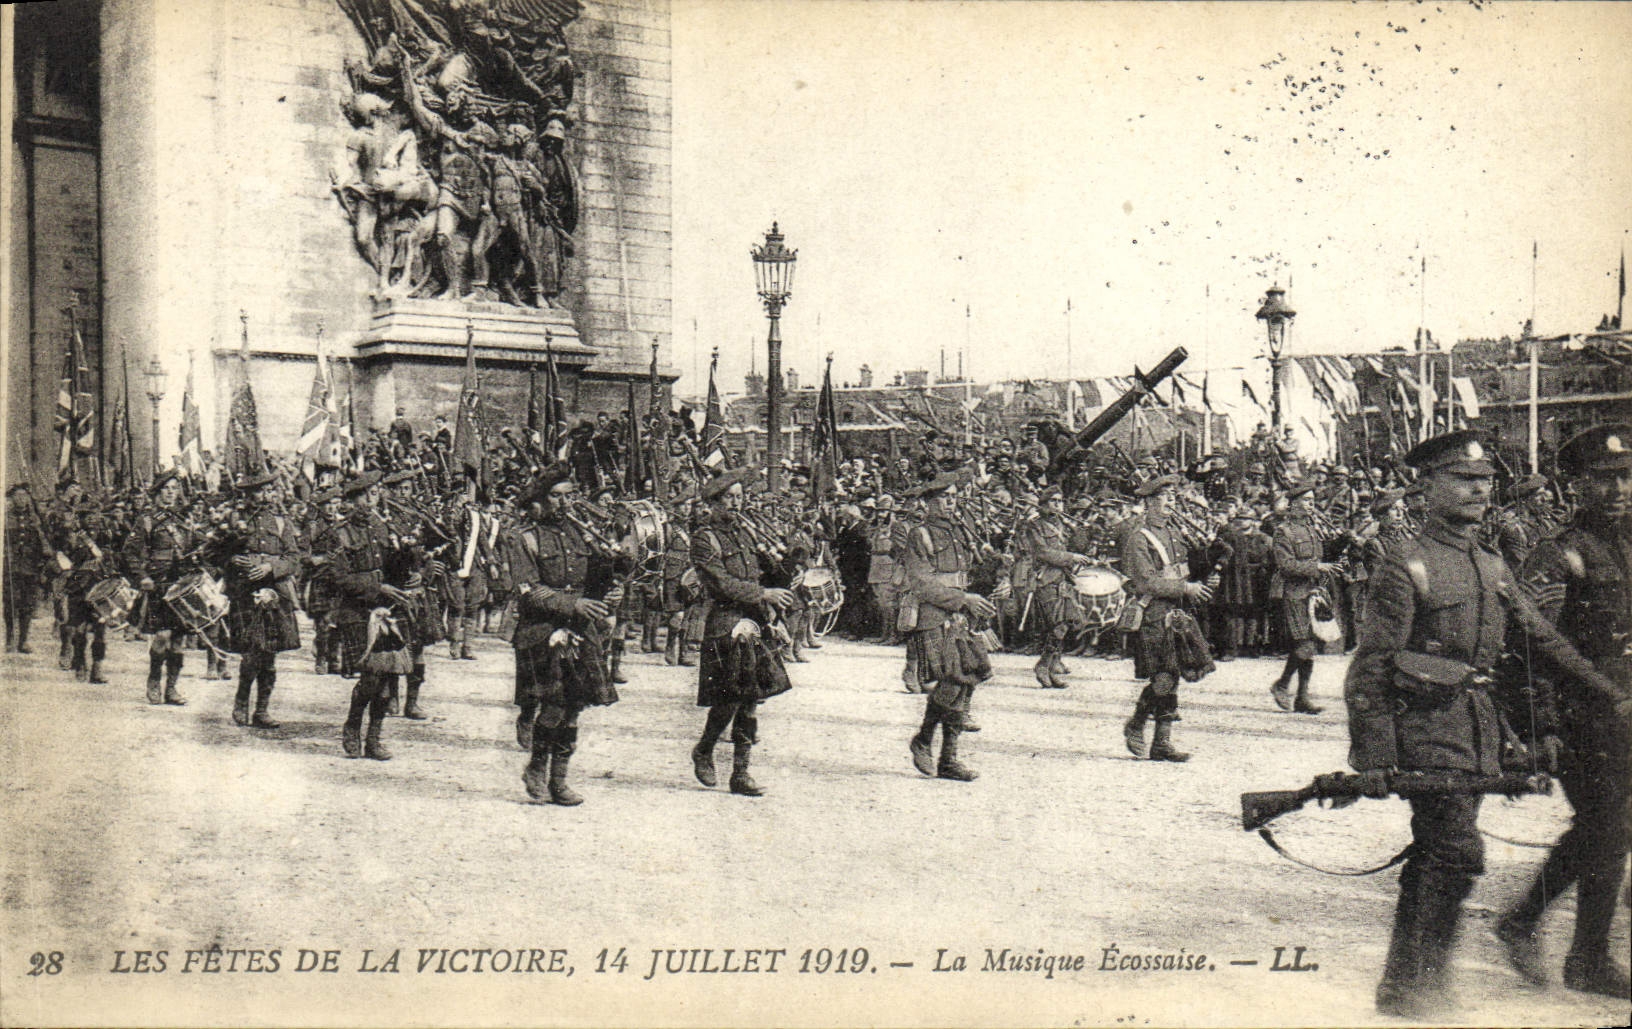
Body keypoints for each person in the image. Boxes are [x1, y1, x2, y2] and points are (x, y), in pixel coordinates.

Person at [1343, 429, 1597, 1018]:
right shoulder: (1405, 565)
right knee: (1455, 850)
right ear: (1425, 488)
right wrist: (1377, 755)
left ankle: (1410, 983)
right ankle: (1415, 984)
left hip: (1478, 729)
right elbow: (1373, 668)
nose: (1479, 490)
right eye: (1462, 479)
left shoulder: (1491, 563)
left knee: (1443, 854)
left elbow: (1538, 644)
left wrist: (1600, 692)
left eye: (1484, 481)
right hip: (1425, 728)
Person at [1494, 424, 1632, 999]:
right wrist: (1541, 726)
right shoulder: (1560, 553)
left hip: (1623, 710)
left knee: (1607, 828)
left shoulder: (1626, 542)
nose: (1620, 489)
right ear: (1576, 484)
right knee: (1608, 826)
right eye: (1604, 480)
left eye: (1627, 476)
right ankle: (1584, 954)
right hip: (1583, 715)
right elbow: (1529, 646)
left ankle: (1530, 924)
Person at [505, 465, 619, 805]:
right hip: (540, 630)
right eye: (556, 496)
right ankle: (537, 767)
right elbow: (528, 590)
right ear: (539, 502)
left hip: (581, 628)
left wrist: (611, 592)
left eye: (569, 495)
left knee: (575, 705)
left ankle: (560, 779)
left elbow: (598, 578)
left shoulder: (580, 534)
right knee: (553, 704)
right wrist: (573, 605)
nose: (564, 503)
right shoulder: (523, 536)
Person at [689, 467, 795, 797]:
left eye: (740, 497)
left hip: (754, 620)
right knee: (728, 699)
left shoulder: (746, 534)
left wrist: (784, 563)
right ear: (714, 504)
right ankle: (705, 749)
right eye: (729, 499)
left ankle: (741, 773)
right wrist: (762, 594)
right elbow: (721, 583)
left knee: (752, 698)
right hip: (725, 622)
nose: (737, 504)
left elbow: (768, 574)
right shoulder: (704, 539)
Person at [902, 473, 996, 782]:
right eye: (943, 498)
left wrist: (999, 572)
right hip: (934, 615)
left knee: (967, 678)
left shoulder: (958, 531)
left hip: (960, 614)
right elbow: (922, 583)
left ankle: (946, 758)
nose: (950, 503)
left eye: (953, 497)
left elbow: (969, 573)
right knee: (954, 679)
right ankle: (926, 740)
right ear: (927, 503)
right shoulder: (920, 534)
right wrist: (963, 599)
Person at [1120, 474, 1214, 761]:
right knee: (1163, 677)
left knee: (1173, 675)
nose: (1171, 500)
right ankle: (1137, 723)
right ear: (1148, 503)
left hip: (1176, 611)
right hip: (1154, 614)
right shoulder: (1139, 537)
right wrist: (1185, 587)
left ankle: (1161, 742)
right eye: (1164, 496)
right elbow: (1147, 582)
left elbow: (1182, 569)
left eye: (1172, 494)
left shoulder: (1173, 533)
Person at [219, 470, 303, 728]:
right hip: (244, 592)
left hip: (275, 593)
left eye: (268, 490)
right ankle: (242, 700)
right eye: (259, 491)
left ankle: (262, 710)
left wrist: (270, 567)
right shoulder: (233, 519)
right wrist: (230, 559)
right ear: (247, 494)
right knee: (254, 651)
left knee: (270, 653)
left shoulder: (281, 522)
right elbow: (213, 553)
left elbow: (294, 558)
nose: (265, 495)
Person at [125, 469, 200, 705]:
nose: (170, 494)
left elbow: (196, 548)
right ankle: (154, 680)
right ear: (157, 493)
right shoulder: (146, 520)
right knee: (161, 638)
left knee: (178, 641)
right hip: (158, 585)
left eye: (174, 489)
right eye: (166, 489)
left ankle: (172, 688)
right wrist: (142, 577)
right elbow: (129, 552)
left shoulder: (183, 520)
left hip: (180, 585)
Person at [1268, 484, 1338, 714]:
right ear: (1293, 504)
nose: (1311, 504)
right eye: (1307, 501)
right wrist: (1317, 567)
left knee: (1311, 644)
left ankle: (1302, 697)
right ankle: (1282, 684)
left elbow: (1321, 554)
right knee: (1304, 644)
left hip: (1312, 593)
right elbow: (1286, 565)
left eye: (1312, 500)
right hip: (1293, 594)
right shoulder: (1283, 532)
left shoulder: (1312, 529)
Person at [1021, 485, 1091, 688]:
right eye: (1053, 501)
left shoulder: (1063, 524)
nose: (1058, 505)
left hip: (1063, 580)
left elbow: (1079, 546)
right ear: (1042, 505)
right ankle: (1044, 666)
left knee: (1067, 622)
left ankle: (1049, 668)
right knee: (1057, 624)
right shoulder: (1034, 526)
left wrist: (1083, 531)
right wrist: (1072, 557)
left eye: (1060, 501)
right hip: (1045, 580)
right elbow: (1043, 553)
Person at [4, 484, 46, 654]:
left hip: (30, 567)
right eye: (18, 495)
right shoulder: (5, 517)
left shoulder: (34, 519)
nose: (22, 499)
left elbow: (42, 540)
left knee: (28, 604)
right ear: (12, 498)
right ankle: (9, 638)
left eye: (25, 496)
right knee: (11, 603)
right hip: (10, 567)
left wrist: (44, 560)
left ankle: (23, 640)